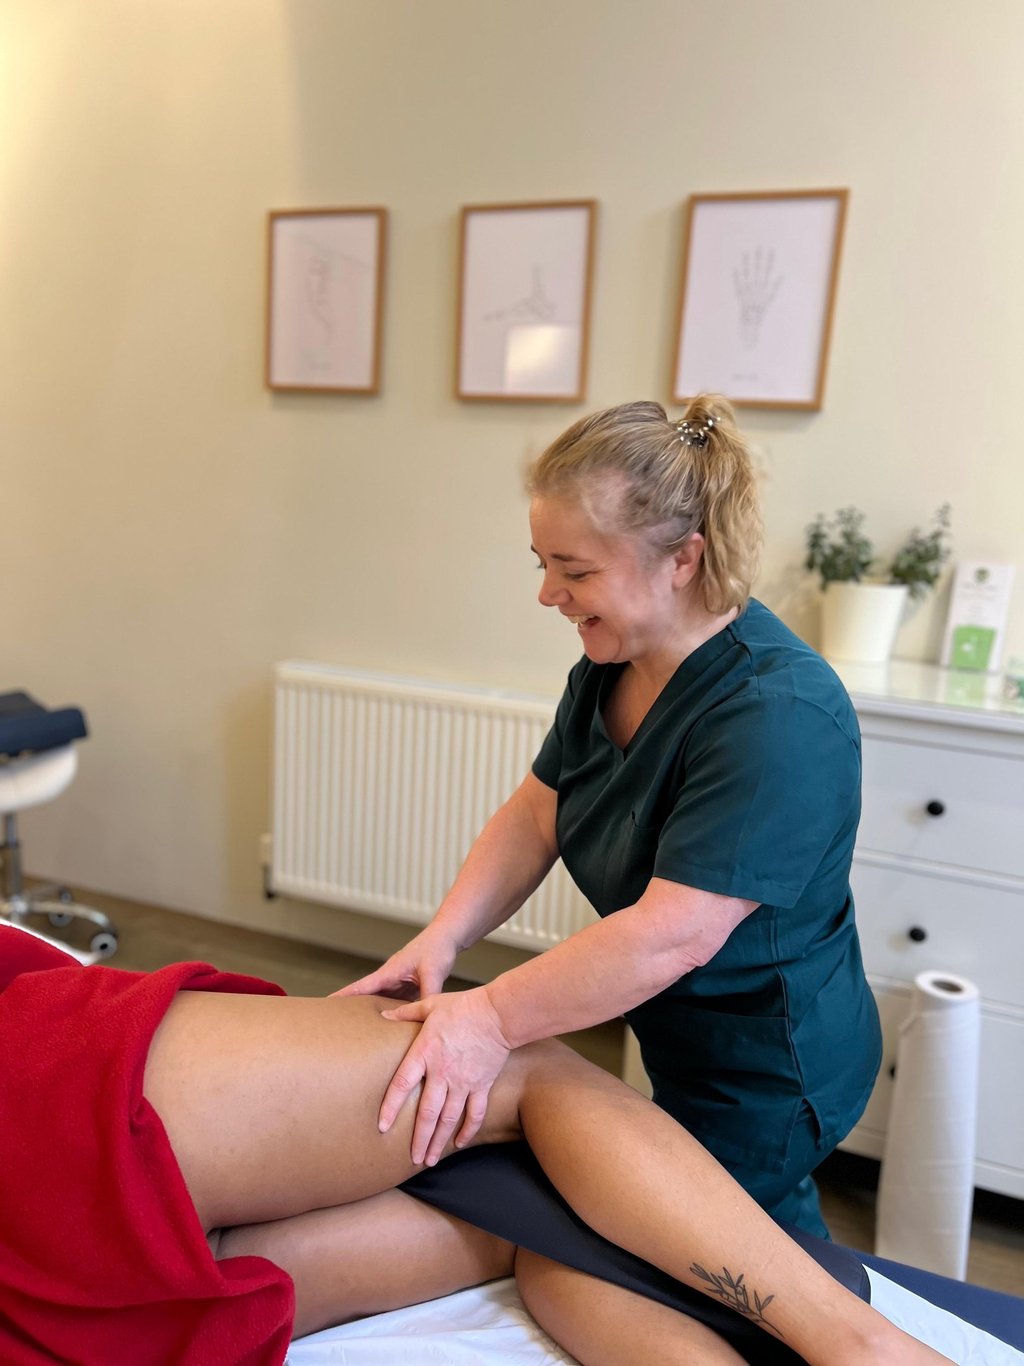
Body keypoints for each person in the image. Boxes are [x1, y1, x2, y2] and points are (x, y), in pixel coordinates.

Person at [340, 396, 882, 1241]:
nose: (550, 594)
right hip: (680, 1038)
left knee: (714, 1260)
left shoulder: (780, 716)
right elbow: (536, 815)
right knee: (690, 1240)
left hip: (772, 1068)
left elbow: (674, 935)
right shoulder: (611, 663)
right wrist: (443, 939)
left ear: (683, 559)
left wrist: (488, 1018)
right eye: (541, 564)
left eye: (577, 570)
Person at [0, 923, 948, 1366]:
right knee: (515, 1070)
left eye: (569, 567)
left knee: (524, 1208)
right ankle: (864, 1349)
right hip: (37, 1123)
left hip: (53, 1304)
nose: (549, 589)